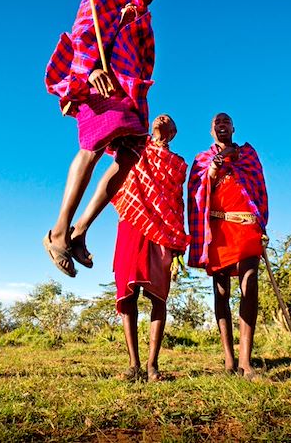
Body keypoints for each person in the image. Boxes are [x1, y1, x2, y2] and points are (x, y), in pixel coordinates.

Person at [43, 0, 166, 277]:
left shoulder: (140, 10)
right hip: (100, 79)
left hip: (129, 85)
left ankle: (80, 230)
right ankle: (57, 232)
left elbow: (145, 52)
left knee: (128, 156)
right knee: (93, 147)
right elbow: (83, 30)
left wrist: (139, 87)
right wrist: (90, 69)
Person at [188, 113, 268, 379]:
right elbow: (196, 191)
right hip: (218, 229)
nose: (221, 124)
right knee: (221, 291)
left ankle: (246, 361)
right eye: (216, 123)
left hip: (245, 224)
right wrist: (214, 168)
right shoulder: (201, 160)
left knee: (250, 282)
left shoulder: (248, 154)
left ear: (234, 127)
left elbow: (258, 186)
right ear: (211, 131)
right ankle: (229, 360)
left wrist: (260, 221)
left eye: (226, 121)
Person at [111, 114, 188, 381]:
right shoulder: (136, 149)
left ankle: (153, 365)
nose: (162, 119)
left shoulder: (178, 164)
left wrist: (179, 241)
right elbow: (112, 141)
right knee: (127, 294)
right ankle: (134, 365)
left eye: (167, 120)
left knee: (158, 297)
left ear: (173, 133)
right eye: (158, 117)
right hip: (132, 221)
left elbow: (178, 201)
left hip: (164, 230)